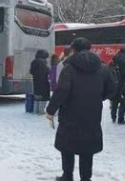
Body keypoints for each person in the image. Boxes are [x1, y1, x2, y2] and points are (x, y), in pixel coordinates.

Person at [46, 37, 117, 181]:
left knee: (67, 147)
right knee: (87, 148)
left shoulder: (69, 68)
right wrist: (98, 97)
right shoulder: (102, 68)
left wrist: (51, 110)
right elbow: (113, 88)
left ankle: (67, 176)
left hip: (70, 113)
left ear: (73, 49)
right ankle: (86, 177)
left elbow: (62, 91)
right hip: (92, 114)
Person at [110, 47, 125, 124]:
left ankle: (113, 116)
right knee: (123, 101)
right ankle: (120, 118)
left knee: (115, 100)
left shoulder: (115, 58)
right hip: (122, 82)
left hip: (115, 82)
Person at [30, 49, 50, 114]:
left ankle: (35, 110)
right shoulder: (43, 62)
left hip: (35, 81)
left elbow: (31, 71)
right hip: (43, 81)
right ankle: (41, 111)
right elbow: (46, 71)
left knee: (37, 96)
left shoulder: (33, 61)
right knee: (43, 97)